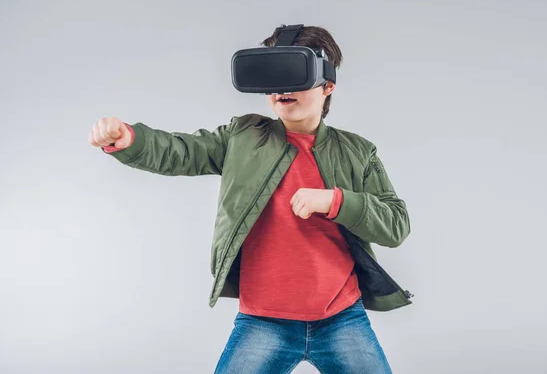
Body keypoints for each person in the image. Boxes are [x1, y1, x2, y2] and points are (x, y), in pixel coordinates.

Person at [89, 25, 412, 373]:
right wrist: (131, 140)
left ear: (328, 86)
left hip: (341, 318)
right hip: (262, 321)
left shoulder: (357, 152)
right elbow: (182, 151)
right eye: (272, 76)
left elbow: (396, 224)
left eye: (294, 74)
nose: (281, 89)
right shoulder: (242, 137)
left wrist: (334, 201)